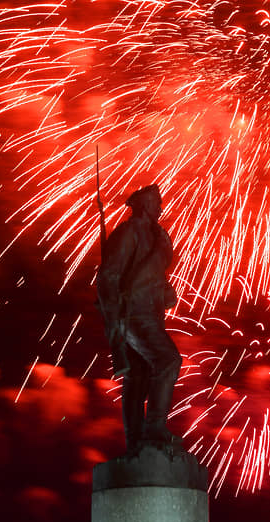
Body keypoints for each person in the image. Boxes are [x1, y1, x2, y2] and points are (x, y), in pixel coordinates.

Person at [95, 184, 182, 455]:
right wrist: (115, 319)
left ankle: (136, 441)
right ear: (143, 205)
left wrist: (164, 291)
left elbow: (151, 273)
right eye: (156, 203)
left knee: (139, 376)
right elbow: (108, 276)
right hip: (133, 315)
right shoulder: (128, 233)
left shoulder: (153, 236)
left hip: (148, 313)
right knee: (168, 361)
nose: (161, 208)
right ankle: (154, 428)